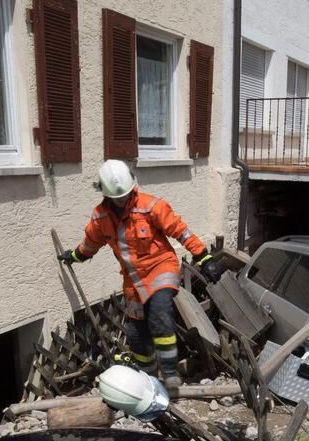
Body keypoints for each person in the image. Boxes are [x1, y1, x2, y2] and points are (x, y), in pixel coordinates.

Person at [60, 160, 223, 390]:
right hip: (133, 281)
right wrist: (74, 256)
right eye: (116, 198)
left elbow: (180, 230)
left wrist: (204, 257)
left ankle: (170, 371)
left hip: (161, 268)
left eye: (125, 196)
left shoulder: (150, 206)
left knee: (160, 313)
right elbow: (90, 244)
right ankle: (149, 378)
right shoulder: (100, 217)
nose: (121, 201)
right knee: (137, 334)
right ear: (104, 194)